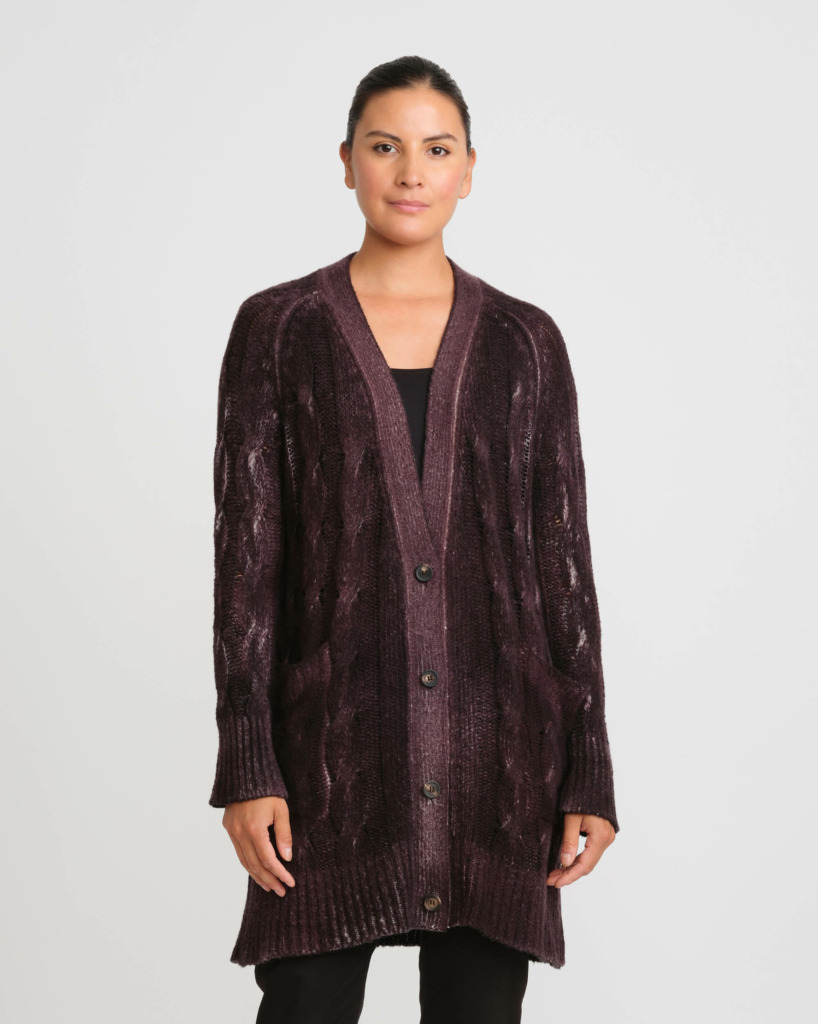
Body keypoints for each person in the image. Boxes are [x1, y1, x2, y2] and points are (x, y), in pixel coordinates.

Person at [208, 55, 620, 1024]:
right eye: (385, 146)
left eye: (436, 150)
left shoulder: (525, 342)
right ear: (346, 161)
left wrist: (588, 763)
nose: (409, 172)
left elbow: (562, 566)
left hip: (499, 771)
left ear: (468, 170)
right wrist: (248, 761)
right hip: (327, 767)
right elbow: (246, 566)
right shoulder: (277, 329)